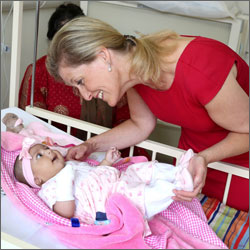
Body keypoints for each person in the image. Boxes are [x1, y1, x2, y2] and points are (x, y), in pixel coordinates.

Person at [45, 16, 249, 211]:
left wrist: (205, 157)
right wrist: (90, 146)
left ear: (103, 56)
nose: (85, 96)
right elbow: (140, 124)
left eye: (80, 81)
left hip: (241, 167)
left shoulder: (199, 69)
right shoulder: (135, 74)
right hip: (194, 162)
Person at [14, 142, 194, 234]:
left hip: (118, 180)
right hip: (109, 204)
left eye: (45, 148)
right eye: (40, 155)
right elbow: (65, 212)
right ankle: (178, 187)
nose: (48, 152)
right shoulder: (49, 189)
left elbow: (94, 173)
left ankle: (178, 171)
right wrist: (64, 182)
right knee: (142, 197)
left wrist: (108, 161)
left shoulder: (71, 165)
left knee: (142, 169)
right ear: (38, 179)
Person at [18, 3, 114, 133]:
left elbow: (125, 119)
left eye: (74, 40)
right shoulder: (38, 71)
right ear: (53, 42)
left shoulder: (103, 64)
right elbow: (28, 123)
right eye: (62, 42)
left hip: (106, 143)